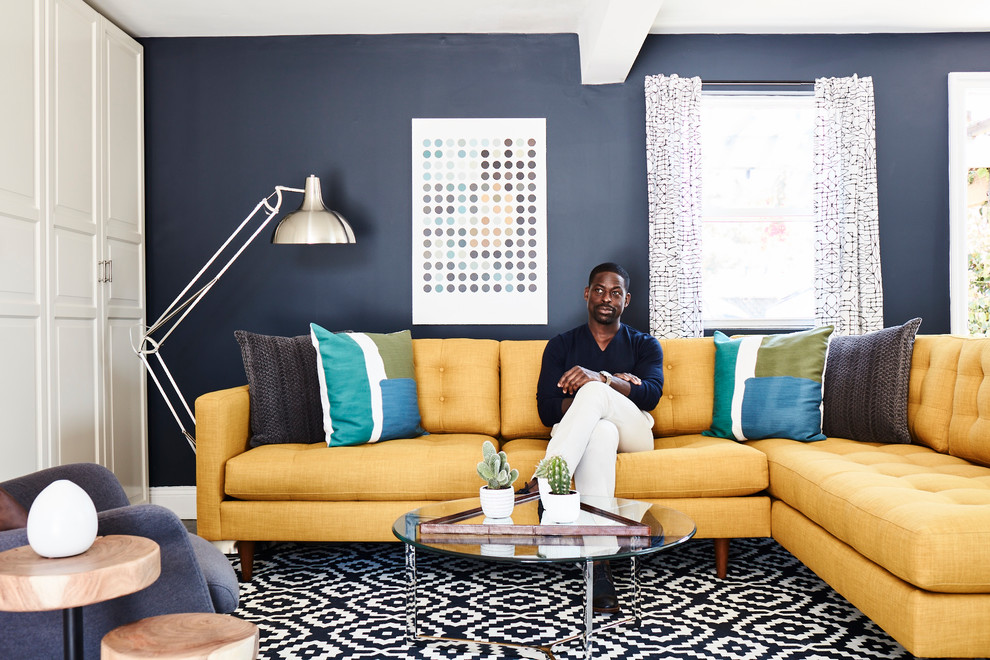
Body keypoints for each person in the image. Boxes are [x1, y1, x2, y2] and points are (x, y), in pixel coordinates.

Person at [520, 262, 664, 612]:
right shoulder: (561, 346)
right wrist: (618, 384)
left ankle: (544, 482)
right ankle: (599, 567)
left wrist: (600, 381)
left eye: (616, 292)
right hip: (593, 433)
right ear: (587, 293)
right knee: (600, 430)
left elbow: (651, 395)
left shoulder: (645, 345)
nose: (606, 298)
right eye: (599, 289)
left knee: (595, 393)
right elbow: (546, 410)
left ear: (626, 300)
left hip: (637, 432)